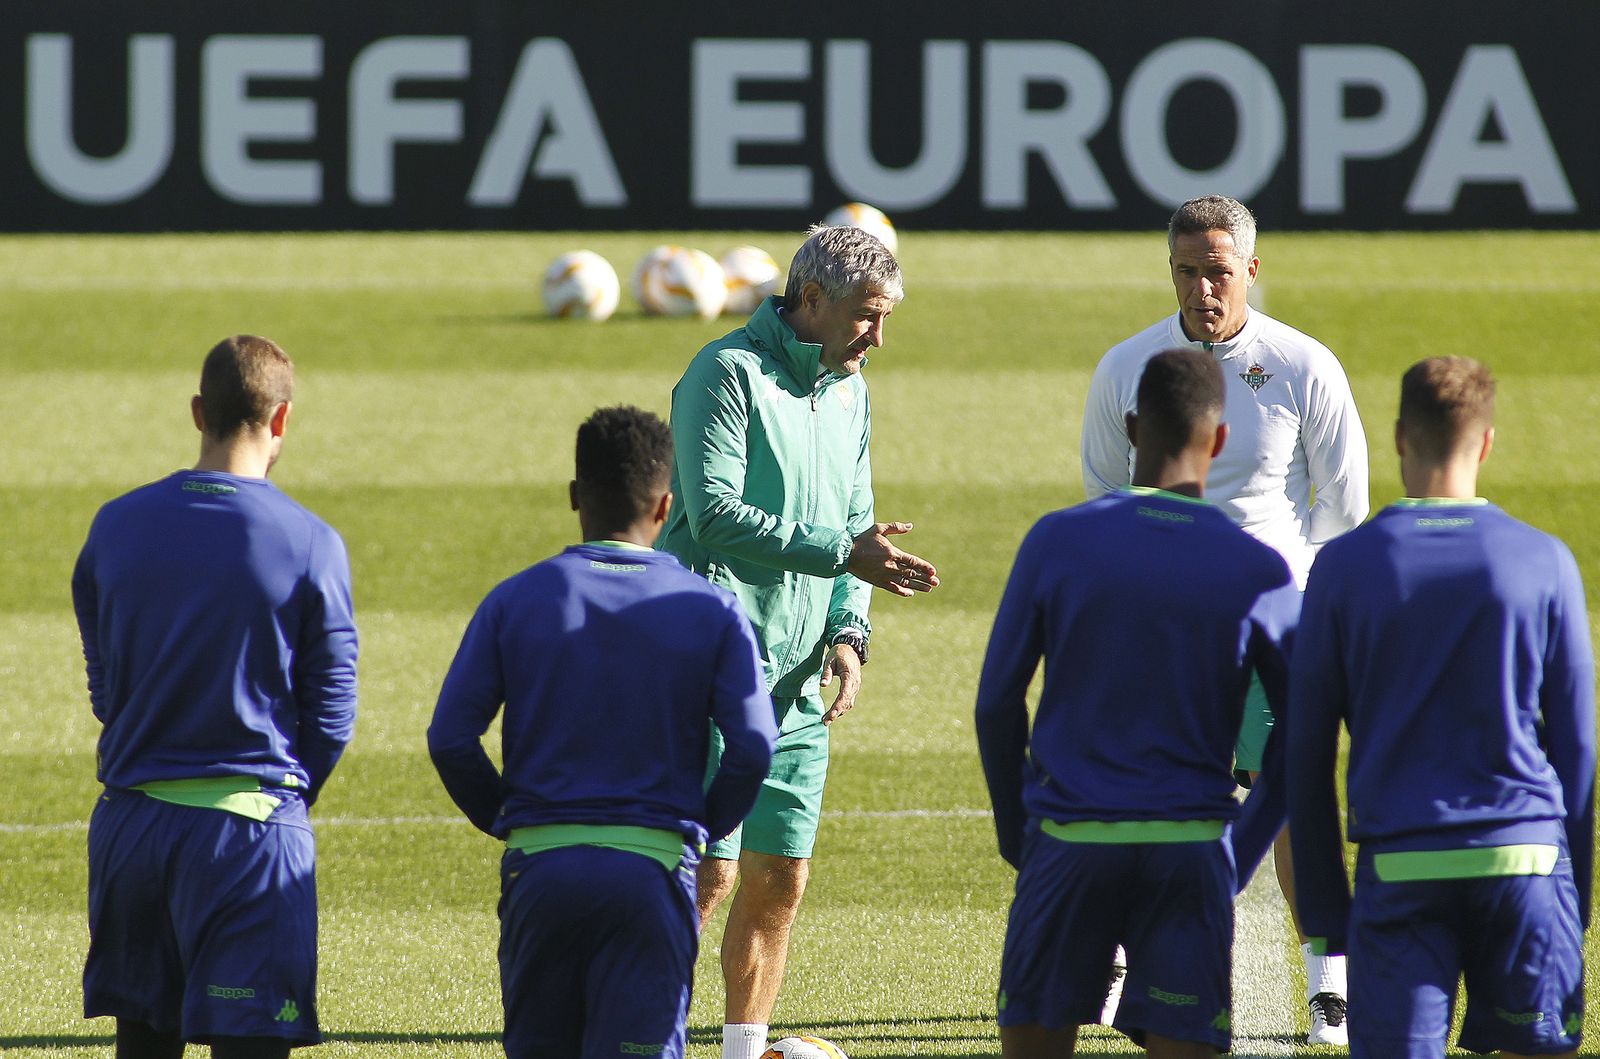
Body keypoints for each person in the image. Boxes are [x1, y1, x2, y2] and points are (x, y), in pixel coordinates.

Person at [1080, 194, 1368, 1043]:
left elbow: (1342, 511)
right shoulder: (1126, 366)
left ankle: (1328, 977)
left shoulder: (1303, 365)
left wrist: (1301, 603)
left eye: (1217, 271)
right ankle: (1124, 955)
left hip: (1275, 625)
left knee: (1297, 799)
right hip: (1166, 628)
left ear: (1251, 267)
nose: (1202, 288)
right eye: (1185, 271)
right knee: (1152, 797)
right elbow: (1105, 494)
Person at [657, 224, 940, 1059]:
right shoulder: (725, 374)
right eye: (865, 315)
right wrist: (843, 552)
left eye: (886, 317)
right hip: (711, 667)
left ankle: (743, 1053)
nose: (877, 337)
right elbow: (712, 514)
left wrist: (849, 630)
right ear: (810, 301)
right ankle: (645, 1039)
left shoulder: (850, 390)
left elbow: (858, 522)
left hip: (796, 683)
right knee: (706, 878)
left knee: (781, 878)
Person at [978, 348, 1300, 1058]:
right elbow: (1301, 732)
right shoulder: (1258, 569)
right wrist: (1238, 852)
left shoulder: (1056, 540)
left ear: (1131, 427)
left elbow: (998, 703)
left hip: (1068, 846)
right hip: (1189, 858)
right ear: (1217, 440)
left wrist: (1017, 834)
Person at [428, 405, 777, 1059]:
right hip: (651, 871)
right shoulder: (711, 608)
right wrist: (700, 824)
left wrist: (510, 816)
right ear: (666, 506)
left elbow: (450, 738)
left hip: (542, 868)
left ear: (573, 496)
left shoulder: (515, 599)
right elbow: (755, 744)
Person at [1286, 357, 1594, 1059]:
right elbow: (1577, 750)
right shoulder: (1546, 561)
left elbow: (1304, 752)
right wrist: (1574, 895)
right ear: (1486, 442)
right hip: (1528, 868)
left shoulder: (1342, 567)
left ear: (1399, 437)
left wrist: (1330, 917)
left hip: (1402, 871)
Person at [72, 335, 358, 1059]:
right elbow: (331, 711)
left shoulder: (114, 525)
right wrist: (284, 797)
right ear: (283, 419)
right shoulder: (310, 541)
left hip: (130, 831)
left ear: (199, 410)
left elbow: (105, 684)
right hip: (248, 838)